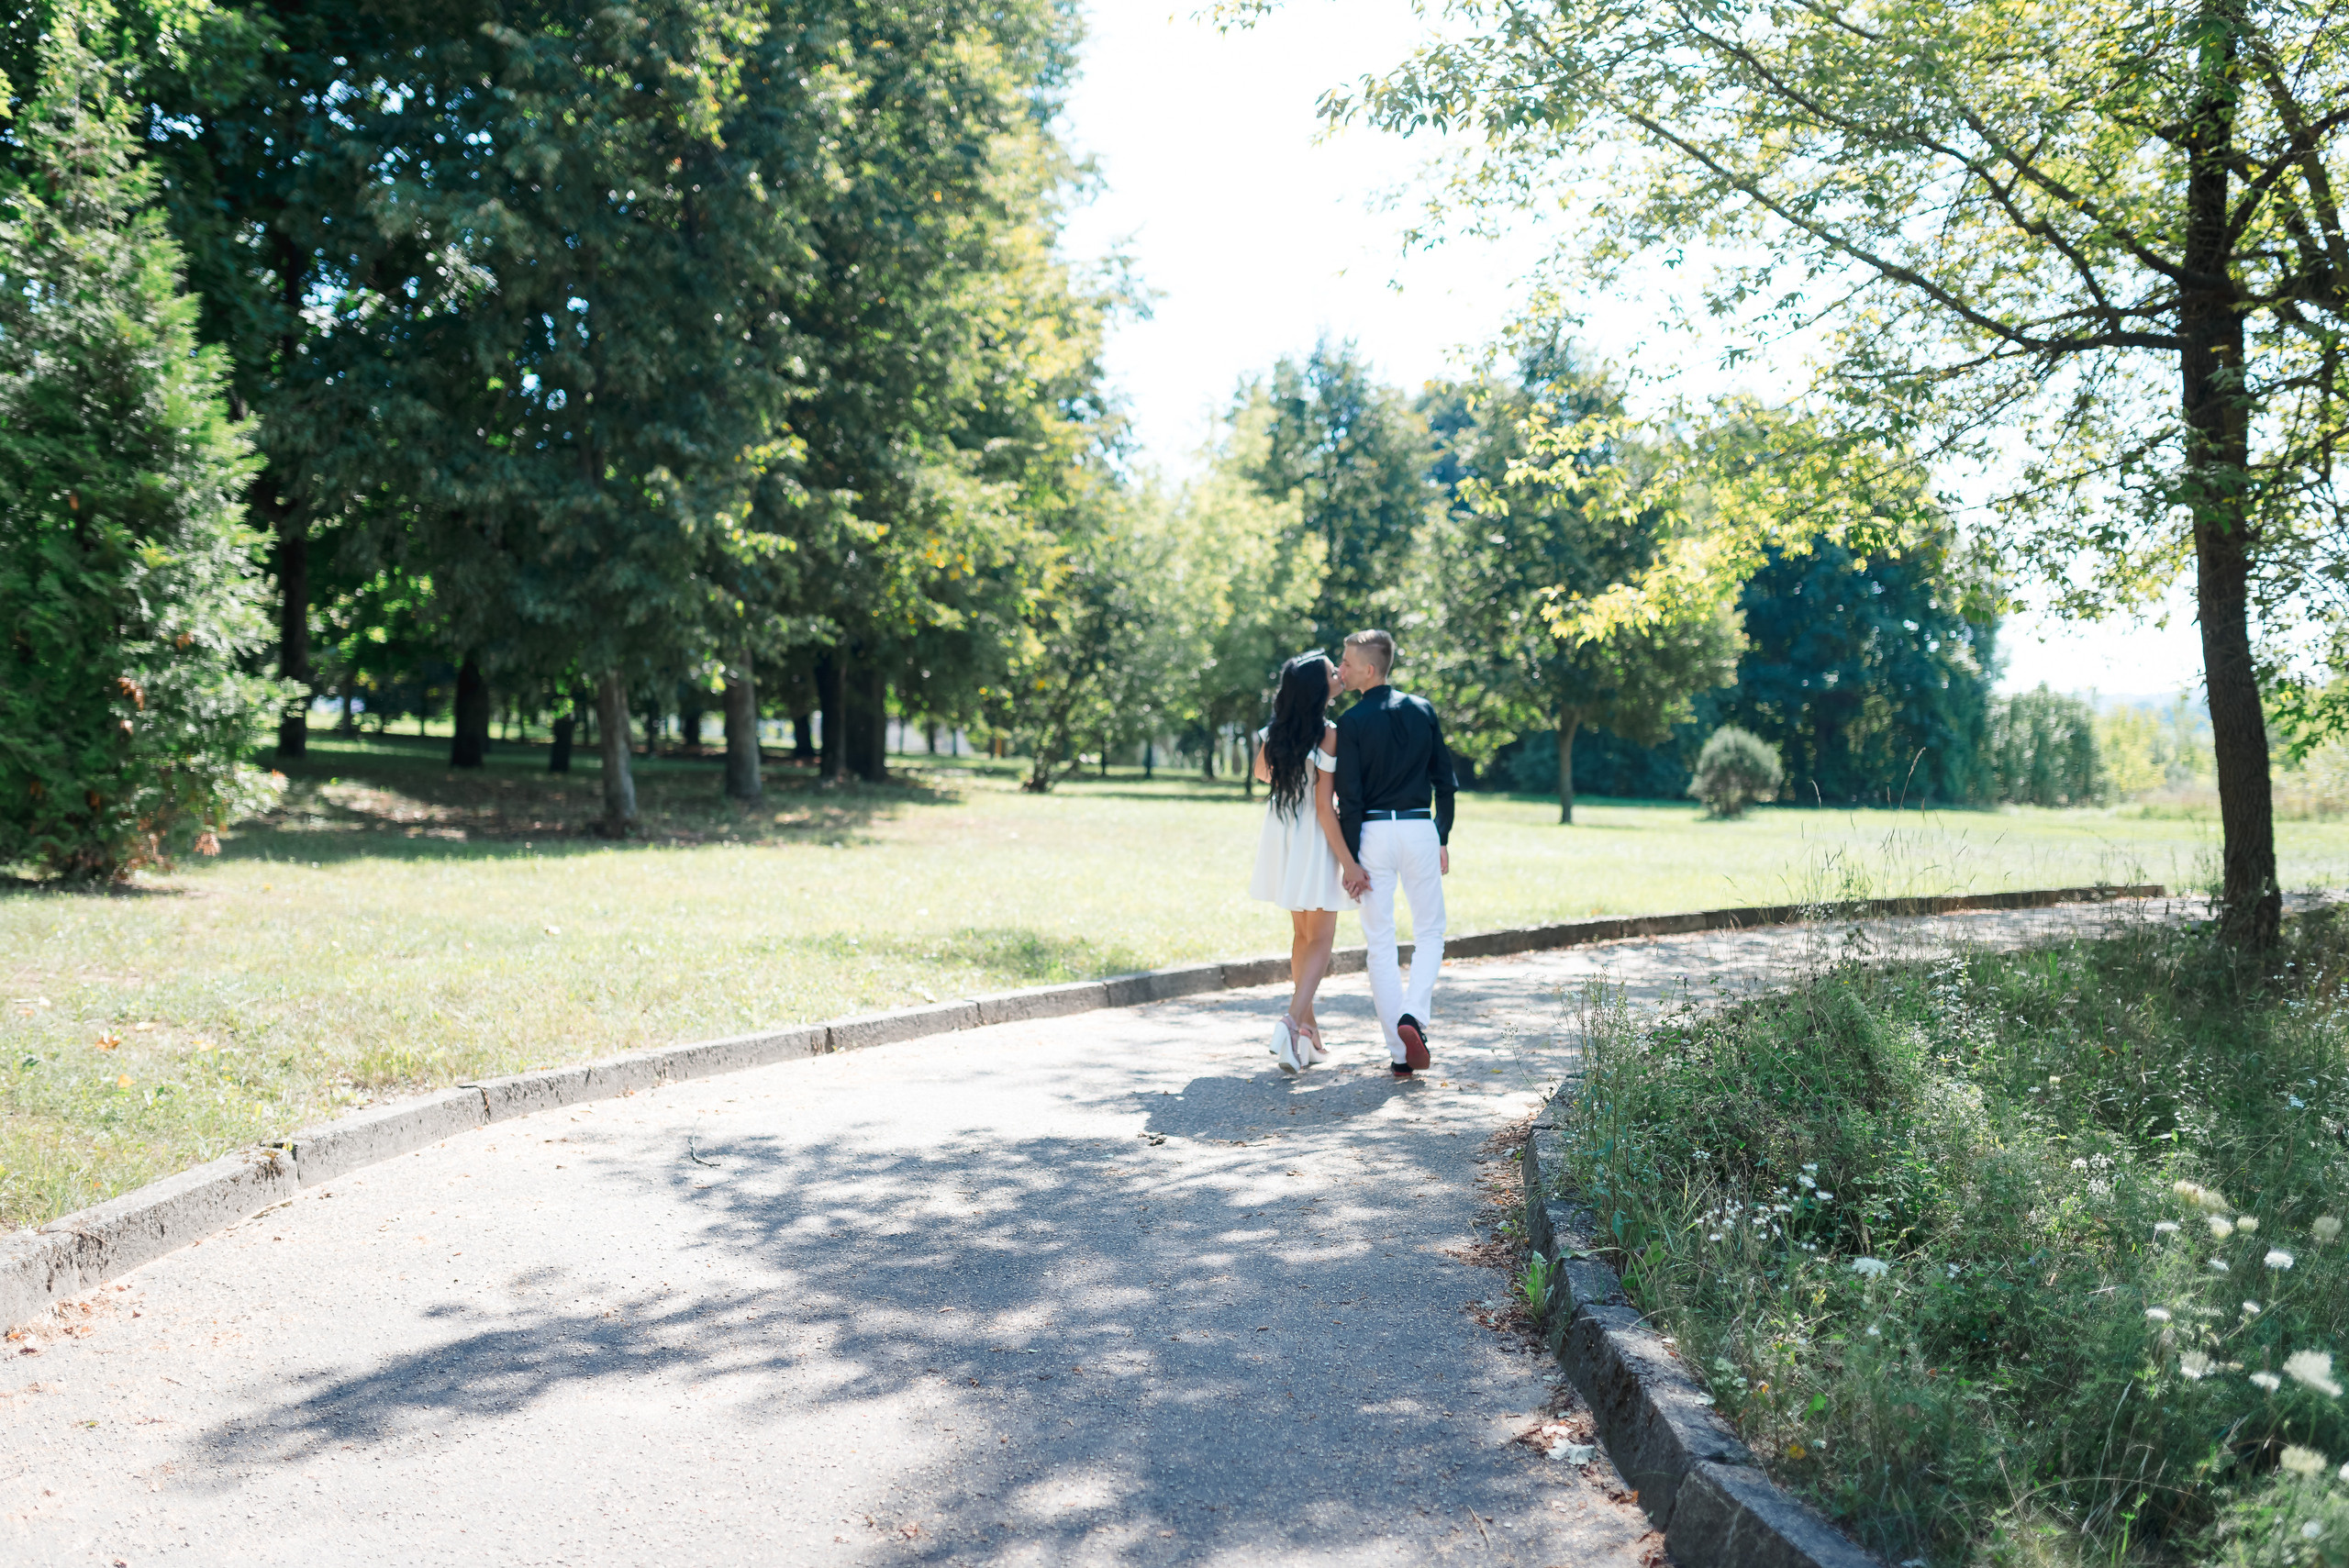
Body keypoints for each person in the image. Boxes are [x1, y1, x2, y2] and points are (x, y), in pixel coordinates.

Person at [1332, 628, 1455, 1079]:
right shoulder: (1423, 709)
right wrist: (1442, 835)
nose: (1340, 669)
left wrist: (1350, 859)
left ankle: (1400, 1053)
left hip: (1373, 832)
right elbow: (1446, 780)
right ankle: (1414, 1017)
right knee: (1431, 932)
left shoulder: (1351, 722)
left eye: (1346, 662)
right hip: (1420, 827)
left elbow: (1350, 796)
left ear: (1369, 669)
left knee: (1380, 943)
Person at [1248, 651, 1362, 1074]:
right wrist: (1347, 860)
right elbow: (1322, 806)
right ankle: (1292, 1021)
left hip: (1282, 832)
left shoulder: (1276, 732)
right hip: (1314, 837)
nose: (1339, 674)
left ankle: (1308, 1033)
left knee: (1301, 933)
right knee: (1322, 937)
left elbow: (1263, 774)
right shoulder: (1328, 734)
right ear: (1321, 688)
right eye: (1334, 671)